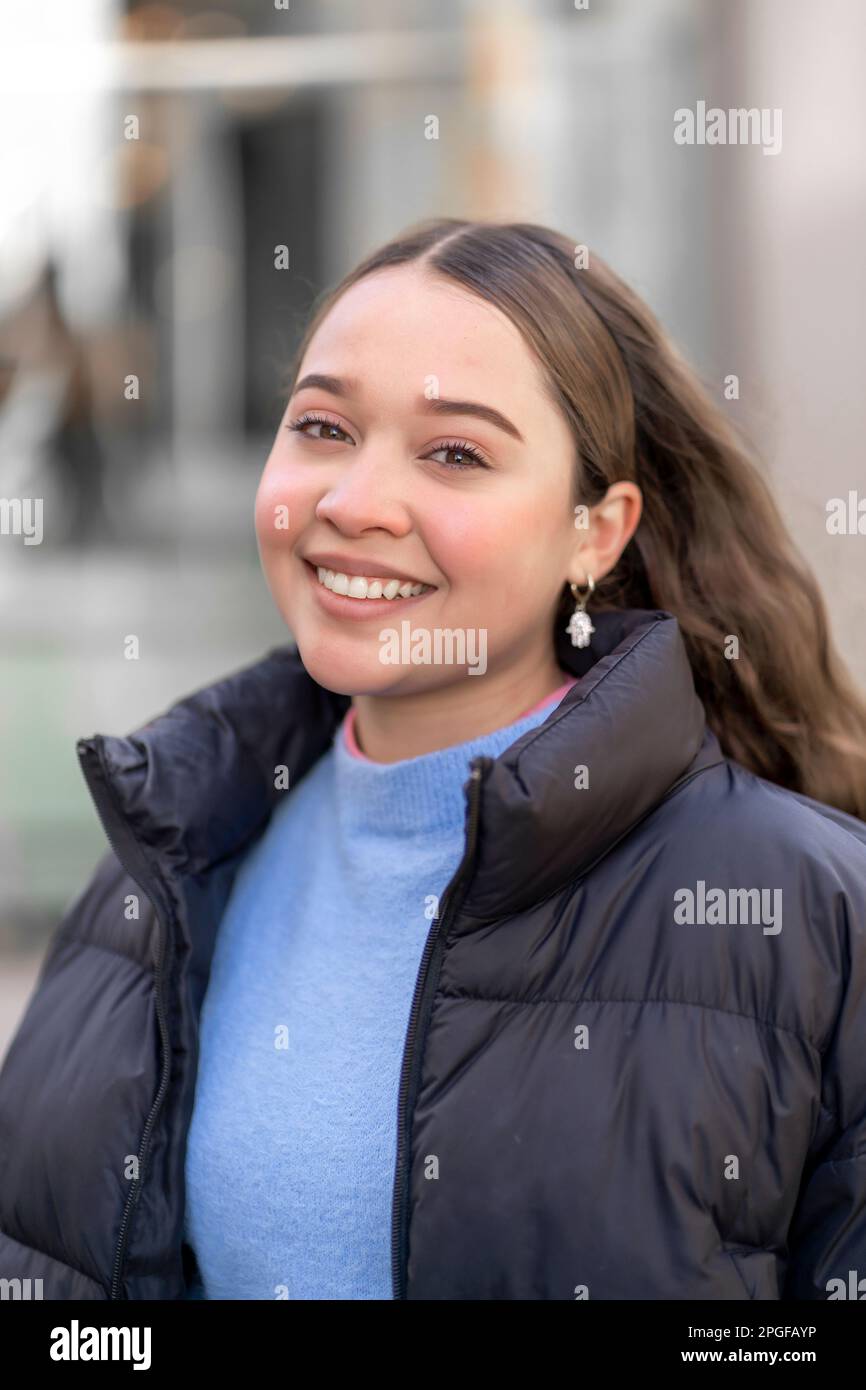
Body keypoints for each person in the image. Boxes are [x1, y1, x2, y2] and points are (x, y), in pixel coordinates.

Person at [1, 217, 865, 1301]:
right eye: (321, 426)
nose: (353, 502)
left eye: (454, 452)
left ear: (594, 532)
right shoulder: (157, 875)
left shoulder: (812, 915)